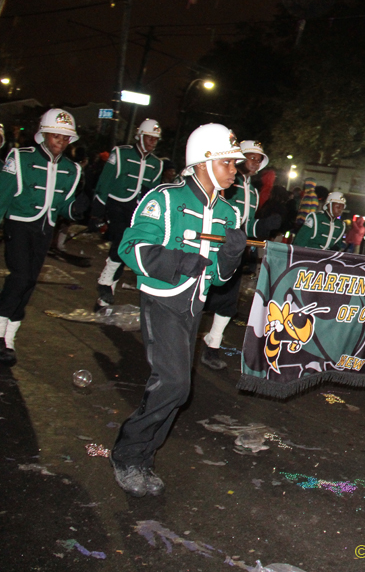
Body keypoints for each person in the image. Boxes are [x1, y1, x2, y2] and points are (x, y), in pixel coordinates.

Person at [110, 123, 247, 497]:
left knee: (179, 390)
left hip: (194, 306)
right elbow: (131, 248)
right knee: (173, 382)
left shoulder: (229, 213)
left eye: (235, 164)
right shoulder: (165, 198)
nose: (235, 169)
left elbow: (218, 276)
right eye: (228, 163)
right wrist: (179, 260)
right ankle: (127, 455)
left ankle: (143, 457)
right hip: (162, 299)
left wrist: (232, 256)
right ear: (203, 162)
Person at [0, 108, 85, 366]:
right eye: (56, 136)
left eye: (66, 138)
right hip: (19, 225)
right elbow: (2, 194)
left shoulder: (72, 169)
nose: (61, 142)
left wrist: (79, 207)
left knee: (28, 283)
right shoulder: (20, 157)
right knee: (21, 276)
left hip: (44, 230)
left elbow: (64, 207)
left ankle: (9, 339)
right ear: (43, 134)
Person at [200, 140, 282, 371]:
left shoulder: (253, 192)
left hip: (234, 251)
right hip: (211, 247)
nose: (254, 163)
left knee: (228, 300)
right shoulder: (225, 182)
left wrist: (263, 226)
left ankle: (212, 344)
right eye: (251, 157)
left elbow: (247, 226)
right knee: (198, 296)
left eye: (258, 159)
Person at [92, 119, 165, 310]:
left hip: (136, 210)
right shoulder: (120, 153)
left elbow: (153, 194)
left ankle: (104, 299)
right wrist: (97, 211)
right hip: (116, 204)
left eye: (155, 139)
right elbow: (105, 181)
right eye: (149, 138)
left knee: (125, 250)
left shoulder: (157, 164)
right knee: (120, 241)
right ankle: (104, 281)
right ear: (139, 136)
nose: (152, 142)